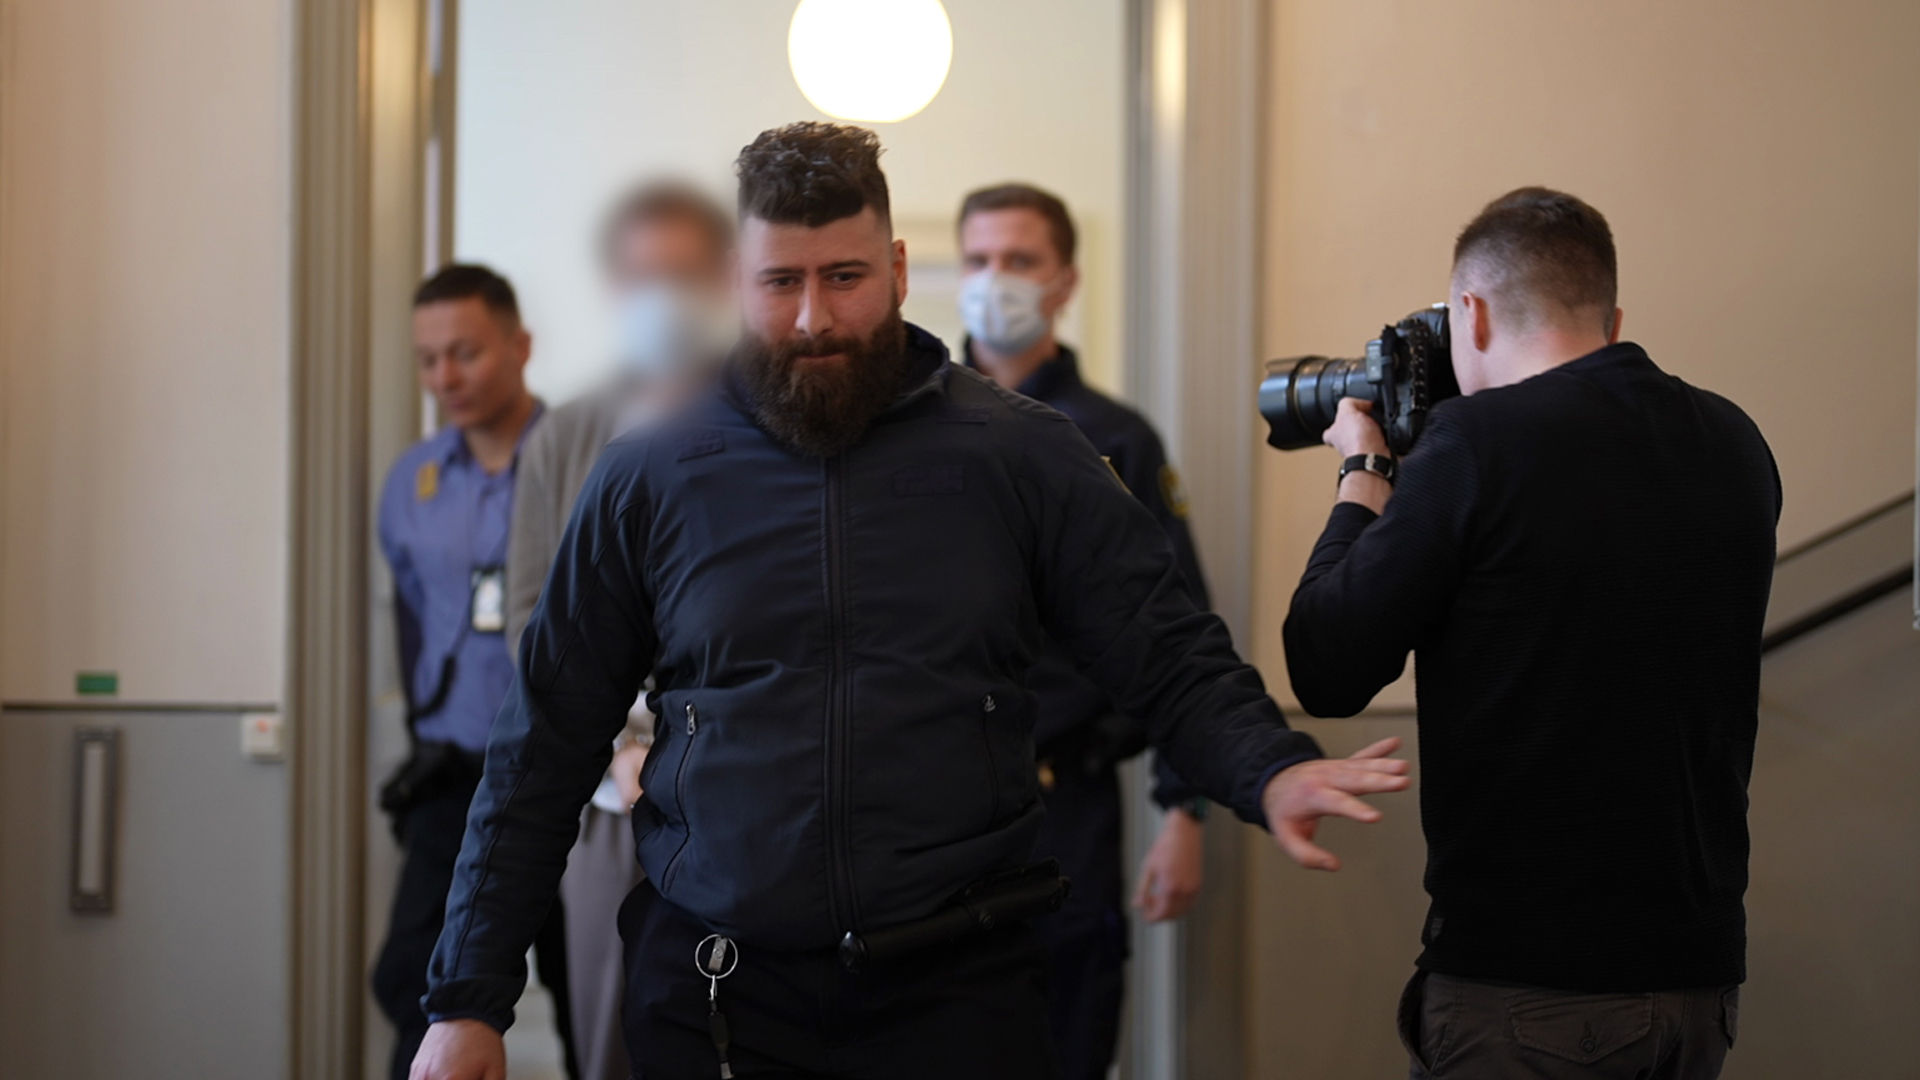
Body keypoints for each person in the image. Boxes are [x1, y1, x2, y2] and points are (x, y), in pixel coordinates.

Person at [409, 122, 1411, 1080]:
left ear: (893, 267)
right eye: (781, 282)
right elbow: (544, 742)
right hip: (720, 994)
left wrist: (1267, 766)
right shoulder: (651, 475)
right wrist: (467, 999)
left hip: (960, 992)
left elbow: (1164, 648)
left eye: (844, 278)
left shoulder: (1020, 452)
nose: (813, 318)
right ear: (737, 281)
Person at [1283, 187, 1779, 1080]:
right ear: (1612, 318)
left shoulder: (1476, 444)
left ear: (1469, 314)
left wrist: (1364, 469)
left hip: (1528, 990)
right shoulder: (1735, 440)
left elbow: (1326, 665)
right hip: (1700, 987)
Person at [956, 181, 1209, 1080]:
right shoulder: (906, 430)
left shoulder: (1115, 439)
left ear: (1064, 281)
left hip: (1065, 807)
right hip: (927, 812)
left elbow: (1179, 632)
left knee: (1067, 1043)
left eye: (1019, 260)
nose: (995, 279)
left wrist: (1184, 810)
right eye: (978, 259)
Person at [505, 179, 734, 1080]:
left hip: (742, 793)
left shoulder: (768, 421)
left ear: (722, 277)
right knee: (611, 1036)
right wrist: (615, 755)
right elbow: (533, 623)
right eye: (643, 275)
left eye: (684, 273)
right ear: (613, 286)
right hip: (608, 804)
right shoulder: (565, 437)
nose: (663, 295)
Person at [371, 264, 578, 1080]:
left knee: (589, 990)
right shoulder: (413, 481)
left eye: (465, 353)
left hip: (567, 775)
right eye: (428, 360)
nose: (444, 378)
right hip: (454, 776)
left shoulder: (582, 460)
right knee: (413, 982)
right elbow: (409, 614)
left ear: (520, 345)